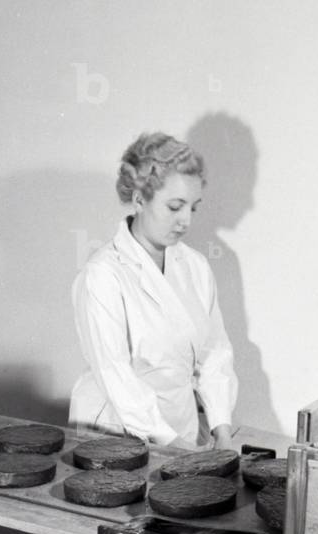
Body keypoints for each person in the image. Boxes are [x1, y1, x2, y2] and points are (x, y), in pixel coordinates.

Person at [69, 132, 238, 449]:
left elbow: (214, 354)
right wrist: (173, 445)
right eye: (174, 207)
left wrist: (222, 431)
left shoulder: (195, 267)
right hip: (115, 435)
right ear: (139, 199)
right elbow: (115, 375)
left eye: (193, 208)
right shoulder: (102, 275)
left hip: (181, 431)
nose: (185, 221)